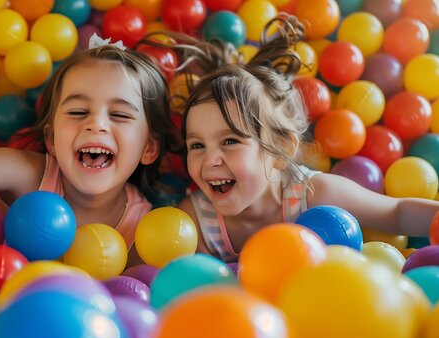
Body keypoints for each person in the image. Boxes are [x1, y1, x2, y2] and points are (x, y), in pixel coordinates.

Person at [156, 16, 439, 263]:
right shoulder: (195, 222)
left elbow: (397, 212)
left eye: (230, 141)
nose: (210, 159)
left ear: (280, 150)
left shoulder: (317, 195)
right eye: (197, 145)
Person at [0, 38, 182, 266]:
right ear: (51, 140)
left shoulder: (144, 229)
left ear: (149, 148)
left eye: (120, 115)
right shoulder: (27, 173)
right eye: (78, 111)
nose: (96, 123)